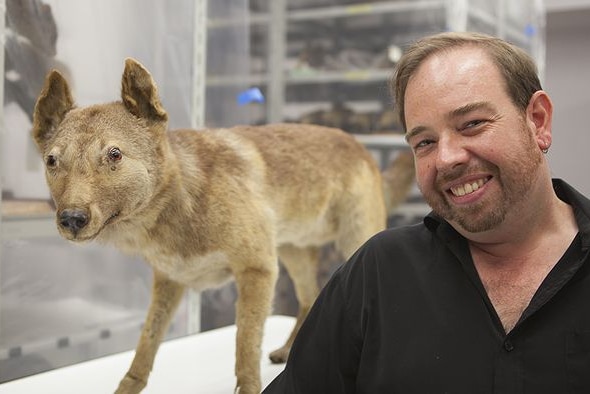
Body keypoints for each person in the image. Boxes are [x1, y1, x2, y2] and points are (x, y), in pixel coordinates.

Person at [262, 31, 590, 394]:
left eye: (472, 124)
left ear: (538, 121)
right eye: (425, 142)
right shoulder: (378, 273)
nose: (447, 158)